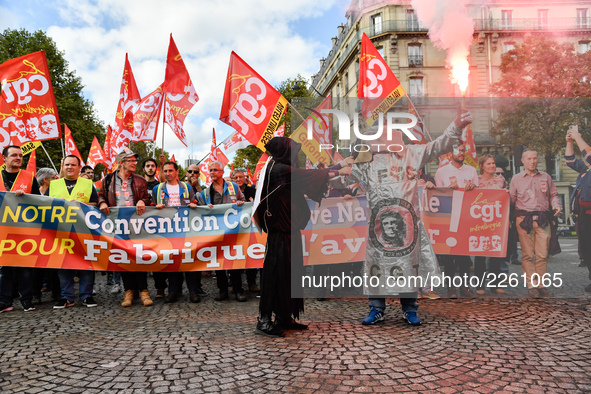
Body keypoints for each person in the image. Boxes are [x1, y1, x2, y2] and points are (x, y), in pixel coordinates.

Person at [352, 108, 472, 325]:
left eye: (389, 131)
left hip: (407, 227)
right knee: (377, 267)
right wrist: (325, 174)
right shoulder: (366, 160)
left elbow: (440, 145)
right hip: (379, 228)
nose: (385, 135)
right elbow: (344, 177)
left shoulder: (412, 154)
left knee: (409, 266)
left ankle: (410, 308)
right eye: (380, 133)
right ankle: (376, 308)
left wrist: (457, 125)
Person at [253, 137, 351, 337]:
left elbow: (307, 175)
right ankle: (264, 320)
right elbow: (308, 175)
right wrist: (340, 170)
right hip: (280, 233)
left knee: (291, 274)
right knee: (274, 275)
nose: (296, 156)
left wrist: (340, 163)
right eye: (294, 152)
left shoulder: (278, 168)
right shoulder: (278, 169)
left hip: (290, 231)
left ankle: (283, 316)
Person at [98, 148, 152, 307]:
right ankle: (128, 291)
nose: (135, 163)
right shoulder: (108, 179)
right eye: (131, 161)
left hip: (137, 223)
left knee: (139, 255)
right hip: (117, 223)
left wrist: (143, 201)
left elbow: (147, 199)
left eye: (135, 161)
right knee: (123, 256)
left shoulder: (141, 180)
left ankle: (143, 290)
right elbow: (101, 194)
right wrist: (102, 202)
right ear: (121, 163)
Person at [48, 155, 99, 308]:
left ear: (78, 167)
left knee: (87, 264)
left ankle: (87, 296)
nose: (70, 167)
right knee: (63, 265)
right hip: (61, 230)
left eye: (73, 165)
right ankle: (66, 297)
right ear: (63, 166)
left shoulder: (88, 184)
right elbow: (43, 204)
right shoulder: (53, 185)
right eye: (67, 165)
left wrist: (80, 204)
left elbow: (95, 203)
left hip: (84, 230)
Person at [509, 148, 561, 298]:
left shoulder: (546, 177)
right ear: (523, 161)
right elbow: (511, 201)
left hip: (543, 219)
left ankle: (541, 285)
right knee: (527, 255)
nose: (532, 161)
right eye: (529, 159)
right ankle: (532, 285)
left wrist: (557, 205)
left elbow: (553, 195)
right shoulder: (516, 179)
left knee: (542, 255)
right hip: (523, 219)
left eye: (535, 158)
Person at [432, 143, 478, 298]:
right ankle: (450, 288)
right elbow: (437, 196)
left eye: (463, 151)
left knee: (465, 256)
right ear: (450, 153)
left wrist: (473, 187)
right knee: (449, 255)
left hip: (466, 218)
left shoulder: (471, 170)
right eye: (458, 151)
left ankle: (465, 287)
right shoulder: (441, 172)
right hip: (448, 218)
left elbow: (479, 195)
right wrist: (446, 189)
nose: (461, 153)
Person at [153, 161, 202, 304]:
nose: (168, 174)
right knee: (172, 261)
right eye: (165, 171)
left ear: (177, 172)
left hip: (186, 229)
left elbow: (194, 202)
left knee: (189, 260)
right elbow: (150, 206)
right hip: (167, 231)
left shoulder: (187, 187)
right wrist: (155, 206)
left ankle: (193, 291)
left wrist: (194, 204)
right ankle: (173, 291)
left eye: (170, 171)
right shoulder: (158, 188)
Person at [0, 145, 41, 313]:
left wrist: (25, 198)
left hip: (24, 229)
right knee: (4, 268)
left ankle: (26, 300)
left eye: (20, 155)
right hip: (2, 230)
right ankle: (5, 301)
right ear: (4, 159)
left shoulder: (29, 178)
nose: (18, 158)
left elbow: (39, 202)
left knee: (26, 266)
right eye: (14, 155)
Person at [200, 161, 247, 302]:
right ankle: (222, 291)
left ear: (222, 172)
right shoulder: (206, 192)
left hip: (233, 231)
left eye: (215, 170)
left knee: (234, 261)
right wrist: (205, 207)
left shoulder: (234, 187)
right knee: (218, 262)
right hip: (216, 232)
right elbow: (199, 208)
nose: (212, 172)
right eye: (210, 170)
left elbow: (244, 201)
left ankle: (238, 290)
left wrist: (240, 203)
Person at [474, 154, 508, 295]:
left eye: (493, 163)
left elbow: (505, 198)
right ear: (481, 166)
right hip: (479, 222)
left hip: (496, 221)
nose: (492, 166)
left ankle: (495, 285)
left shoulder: (500, 180)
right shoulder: (476, 181)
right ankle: (479, 285)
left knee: (495, 254)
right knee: (480, 255)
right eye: (488, 163)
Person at [564, 125, 591, 293]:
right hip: (584, 215)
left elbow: (589, 154)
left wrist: (577, 136)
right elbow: (570, 160)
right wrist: (569, 141)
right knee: (587, 247)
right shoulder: (586, 168)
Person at [231, 168, 259, 292]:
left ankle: (251, 282)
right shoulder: (229, 191)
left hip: (250, 229)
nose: (238, 180)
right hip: (234, 230)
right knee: (234, 257)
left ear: (245, 178)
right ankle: (235, 285)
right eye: (235, 178)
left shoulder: (252, 190)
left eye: (240, 177)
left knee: (251, 256)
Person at [142, 158, 167, 299]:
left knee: (158, 257)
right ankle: (142, 289)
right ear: (143, 169)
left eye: (153, 166)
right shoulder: (138, 184)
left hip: (158, 226)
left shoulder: (161, 186)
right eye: (147, 166)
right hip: (140, 225)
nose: (150, 168)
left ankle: (161, 287)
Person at [184, 164, 206, 297]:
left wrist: (197, 185)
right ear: (186, 173)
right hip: (182, 227)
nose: (192, 173)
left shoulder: (202, 189)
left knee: (196, 260)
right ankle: (175, 289)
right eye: (190, 171)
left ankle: (196, 287)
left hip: (197, 228)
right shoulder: (181, 188)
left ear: (199, 174)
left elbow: (205, 202)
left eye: (195, 172)